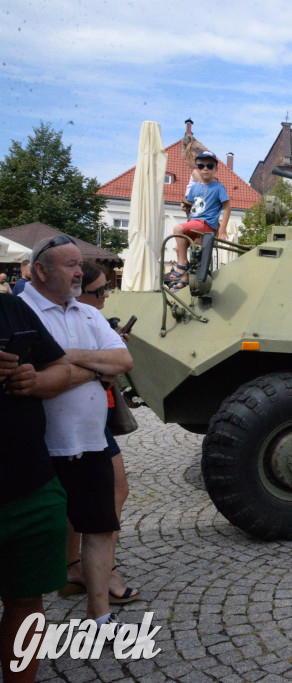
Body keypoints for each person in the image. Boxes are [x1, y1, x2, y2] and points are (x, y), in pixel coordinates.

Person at [18, 235, 134, 632]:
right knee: (32, 536)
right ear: (41, 271)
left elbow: (124, 359)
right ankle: (24, 621)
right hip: (37, 448)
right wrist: (97, 368)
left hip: (91, 442)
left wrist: (66, 358)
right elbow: (33, 381)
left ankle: (99, 616)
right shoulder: (20, 311)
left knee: (100, 528)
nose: (79, 272)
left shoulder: (87, 314)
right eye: (69, 265)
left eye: (78, 265)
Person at [1, 293, 76, 683]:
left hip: (30, 487)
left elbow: (61, 369)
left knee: (28, 601)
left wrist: (36, 379)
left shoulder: (9, 307)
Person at [58, 261, 139, 605]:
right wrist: (98, 364)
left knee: (81, 496)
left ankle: (74, 568)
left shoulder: (90, 321)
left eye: (108, 288)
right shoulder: (69, 322)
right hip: (80, 420)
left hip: (95, 418)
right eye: (99, 291)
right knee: (113, 491)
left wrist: (102, 359)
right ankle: (101, 572)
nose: (105, 296)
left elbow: (121, 361)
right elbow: (64, 366)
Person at [170, 150, 231, 291]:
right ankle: (185, 279)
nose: (205, 169)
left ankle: (182, 265)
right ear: (196, 167)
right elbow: (192, 204)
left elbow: (227, 208)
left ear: (216, 168)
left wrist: (222, 229)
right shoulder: (195, 187)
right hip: (194, 222)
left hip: (206, 224)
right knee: (182, 247)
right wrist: (185, 206)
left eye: (210, 166)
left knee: (177, 229)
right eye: (201, 165)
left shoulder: (218, 187)